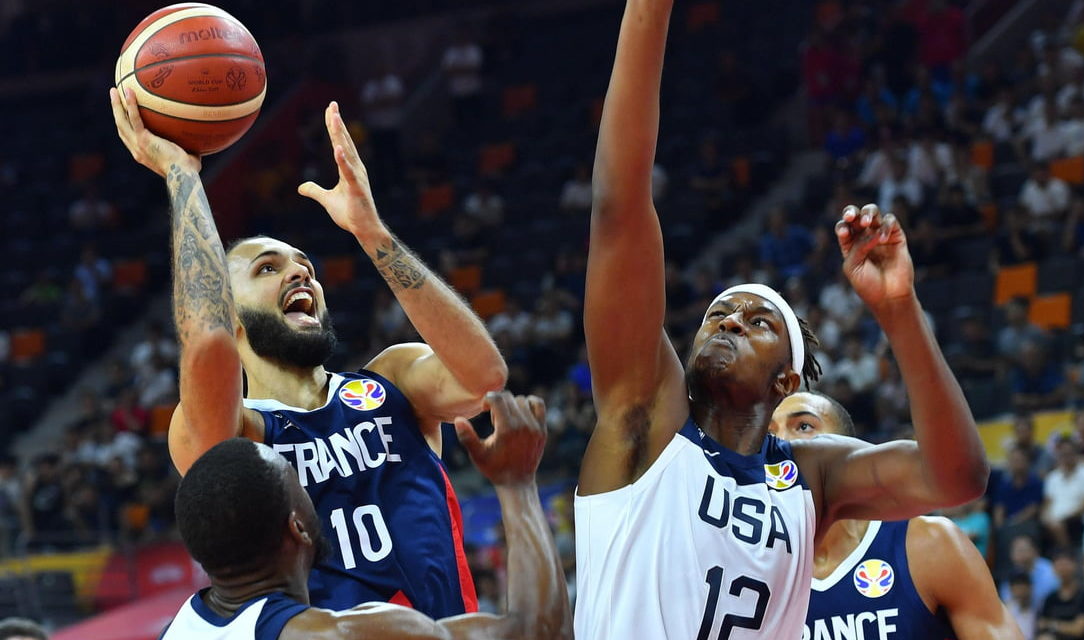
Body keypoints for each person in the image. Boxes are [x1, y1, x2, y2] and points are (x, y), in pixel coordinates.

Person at [574, 0, 988, 636]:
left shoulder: (809, 478)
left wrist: (900, 311)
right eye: (718, 315)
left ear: (786, 384)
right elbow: (619, 207)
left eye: (759, 322)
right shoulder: (644, 419)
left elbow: (956, 476)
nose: (732, 322)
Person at [109, 90, 507, 614]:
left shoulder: (392, 380)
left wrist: (372, 233)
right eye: (266, 269)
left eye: (304, 266)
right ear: (228, 312)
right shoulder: (236, 432)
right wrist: (182, 174)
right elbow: (206, 342)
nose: (301, 272)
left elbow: (485, 378)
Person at [162, 392, 570, 639]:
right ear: (298, 527)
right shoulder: (338, 635)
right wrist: (517, 484)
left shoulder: (177, 631)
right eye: (301, 485)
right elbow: (540, 634)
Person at [769, 391, 1019, 639]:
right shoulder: (750, 573)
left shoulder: (929, 544)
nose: (782, 443)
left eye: (803, 426)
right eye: (768, 435)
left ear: (846, 450)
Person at [1043, 437, 1084, 548]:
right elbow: (1048, 502)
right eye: (1063, 454)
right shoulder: (1053, 477)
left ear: (1076, 453)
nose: (1066, 457)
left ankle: (1067, 552)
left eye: (1069, 453)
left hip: (1078, 518)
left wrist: (1064, 518)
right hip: (1054, 521)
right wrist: (1045, 517)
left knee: (1058, 526)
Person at [1037, 550, 1084, 639]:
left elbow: (1079, 629)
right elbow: (1041, 624)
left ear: (1075, 565)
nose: (1062, 568)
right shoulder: (1050, 599)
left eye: (1065, 564)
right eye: (1059, 564)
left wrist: (1052, 624)